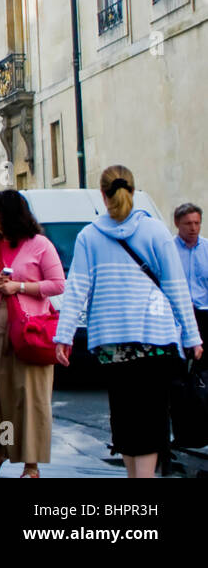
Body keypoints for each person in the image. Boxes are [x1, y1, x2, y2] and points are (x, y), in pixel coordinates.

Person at [54, 165, 203, 478]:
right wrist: (192, 336)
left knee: (124, 413)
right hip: (155, 337)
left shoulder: (89, 235)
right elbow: (177, 287)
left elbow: (77, 289)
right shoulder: (156, 231)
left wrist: (64, 336)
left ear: (102, 194)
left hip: (112, 340)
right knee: (152, 414)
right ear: (132, 191)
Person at [0, 190, 65, 478]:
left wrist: (20, 287)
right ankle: (3, 449)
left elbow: (58, 284)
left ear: (8, 216)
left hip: (29, 329)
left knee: (28, 396)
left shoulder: (40, 245)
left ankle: (31, 464)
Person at [171, 203, 208, 351]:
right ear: (177, 223)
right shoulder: (169, 249)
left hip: (204, 313)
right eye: (188, 223)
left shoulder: (206, 249)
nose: (193, 228)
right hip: (179, 315)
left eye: (197, 223)